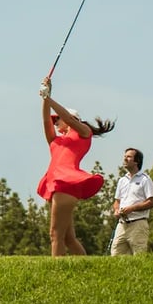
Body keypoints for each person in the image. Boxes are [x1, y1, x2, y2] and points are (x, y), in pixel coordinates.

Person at [36, 77, 115, 256]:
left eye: (58, 120)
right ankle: (87, 269)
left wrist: (49, 98)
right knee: (68, 238)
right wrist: (45, 98)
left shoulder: (83, 133)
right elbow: (45, 121)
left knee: (55, 234)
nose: (56, 123)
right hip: (56, 183)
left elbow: (69, 121)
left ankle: (56, 274)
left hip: (66, 182)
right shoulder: (55, 140)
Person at [110, 147, 153, 255]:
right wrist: (116, 210)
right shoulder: (122, 180)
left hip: (138, 224)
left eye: (128, 157)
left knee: (139, 257)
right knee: (115, 256)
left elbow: (151, 202)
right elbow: (117, 201)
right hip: (122, 224)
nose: (125, 159)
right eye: (125, 156)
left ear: (136, 161)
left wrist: (132, 208)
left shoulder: (145, 179)